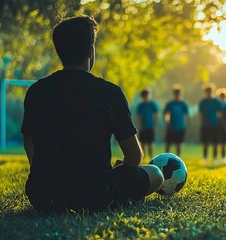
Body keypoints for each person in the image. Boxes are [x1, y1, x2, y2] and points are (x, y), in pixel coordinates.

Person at [21, 16, 164, 214]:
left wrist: (45, 174)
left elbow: (29, 139)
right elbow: (134, 156)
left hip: (43, 193)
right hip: (96, 194)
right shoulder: (110, 92)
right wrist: (121, 170)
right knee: (155, 173)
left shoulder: (36, 91)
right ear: (90, 51)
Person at [198, 83, 222, 164]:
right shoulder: (203, 102)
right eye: (207, 91)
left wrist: (218, 122)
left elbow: (220, 113)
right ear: (205, 92)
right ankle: (205, 158)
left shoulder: (216, 101)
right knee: (205, 143)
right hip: (205, 125)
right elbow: (200, 114)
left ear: (212, 91)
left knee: (215, 143)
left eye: (210, 90)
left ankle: (214, 158)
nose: (209, 92)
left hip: (215, 125)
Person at [164, 84, 190, 156]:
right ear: (174, 93)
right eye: (176, 93)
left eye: (178, 93)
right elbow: (166, 114)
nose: (177, 94)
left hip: (180, 127)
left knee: (179, 144)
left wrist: (186, 126)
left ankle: (178, 158)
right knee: (168, 144)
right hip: (171, 127)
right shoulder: (170, 104)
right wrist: (167, 124)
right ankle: (166, 158)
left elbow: (187, 115)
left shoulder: (183, 104)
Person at [137, 87, 159, 159]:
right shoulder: (141, 106)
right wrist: (140, 126)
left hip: (150, 127)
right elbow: (139, 117)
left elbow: (156, 115)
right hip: (143, 127)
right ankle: (143, 157)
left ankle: (150, 157)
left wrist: (155, 125)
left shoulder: (152, 104)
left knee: (150, 143)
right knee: (142, 143)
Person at [216, 88, 226, 163]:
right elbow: (220, 115)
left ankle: (224, 157)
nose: (222, 97)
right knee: (218, 142)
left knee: (224, 142)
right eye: (221, 96)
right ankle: (218, 157)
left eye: (223, 96)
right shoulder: (218, 104)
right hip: (219, 125)